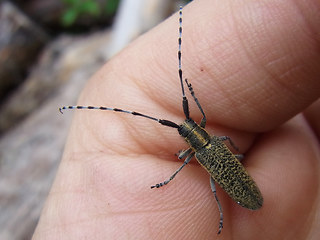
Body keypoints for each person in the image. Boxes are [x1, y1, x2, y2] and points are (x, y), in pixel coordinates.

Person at [33, 0, 320, 239]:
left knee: (213, 184)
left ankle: (221, 212)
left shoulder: (195, 153)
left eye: (188, 126)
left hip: (238, 175)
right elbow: (213, 134)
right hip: (238, 180)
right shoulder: (208, 141)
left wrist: (171, 175)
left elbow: (192, 155)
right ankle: (221, 214)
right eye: (188, 128)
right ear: (196, 131)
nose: (187, 126)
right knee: (214, 188)